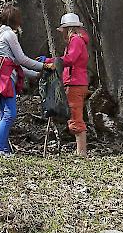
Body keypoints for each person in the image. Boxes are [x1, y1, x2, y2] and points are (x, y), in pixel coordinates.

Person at [0, 6, 53, 157]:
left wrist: (36, 73)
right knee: (9, 114)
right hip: (5, 79)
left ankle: (4, 149)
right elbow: (21, 59)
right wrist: (43, 66)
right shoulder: (9, 35)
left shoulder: (0, 36)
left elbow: (14, 65)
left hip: (3, 77)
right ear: (15, 20)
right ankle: (0, 149)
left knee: (5, 114)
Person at [41, 13, 90, 157]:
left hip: (75, 83)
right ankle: (80, 151)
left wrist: (51, 61)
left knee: (75, 116)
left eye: (63, 29)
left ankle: (82, 153)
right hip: (75, 82)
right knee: (74, 115)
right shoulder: (77, 40)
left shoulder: (75, 41)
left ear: (68, 28)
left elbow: (70, 59)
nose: (62, 32)